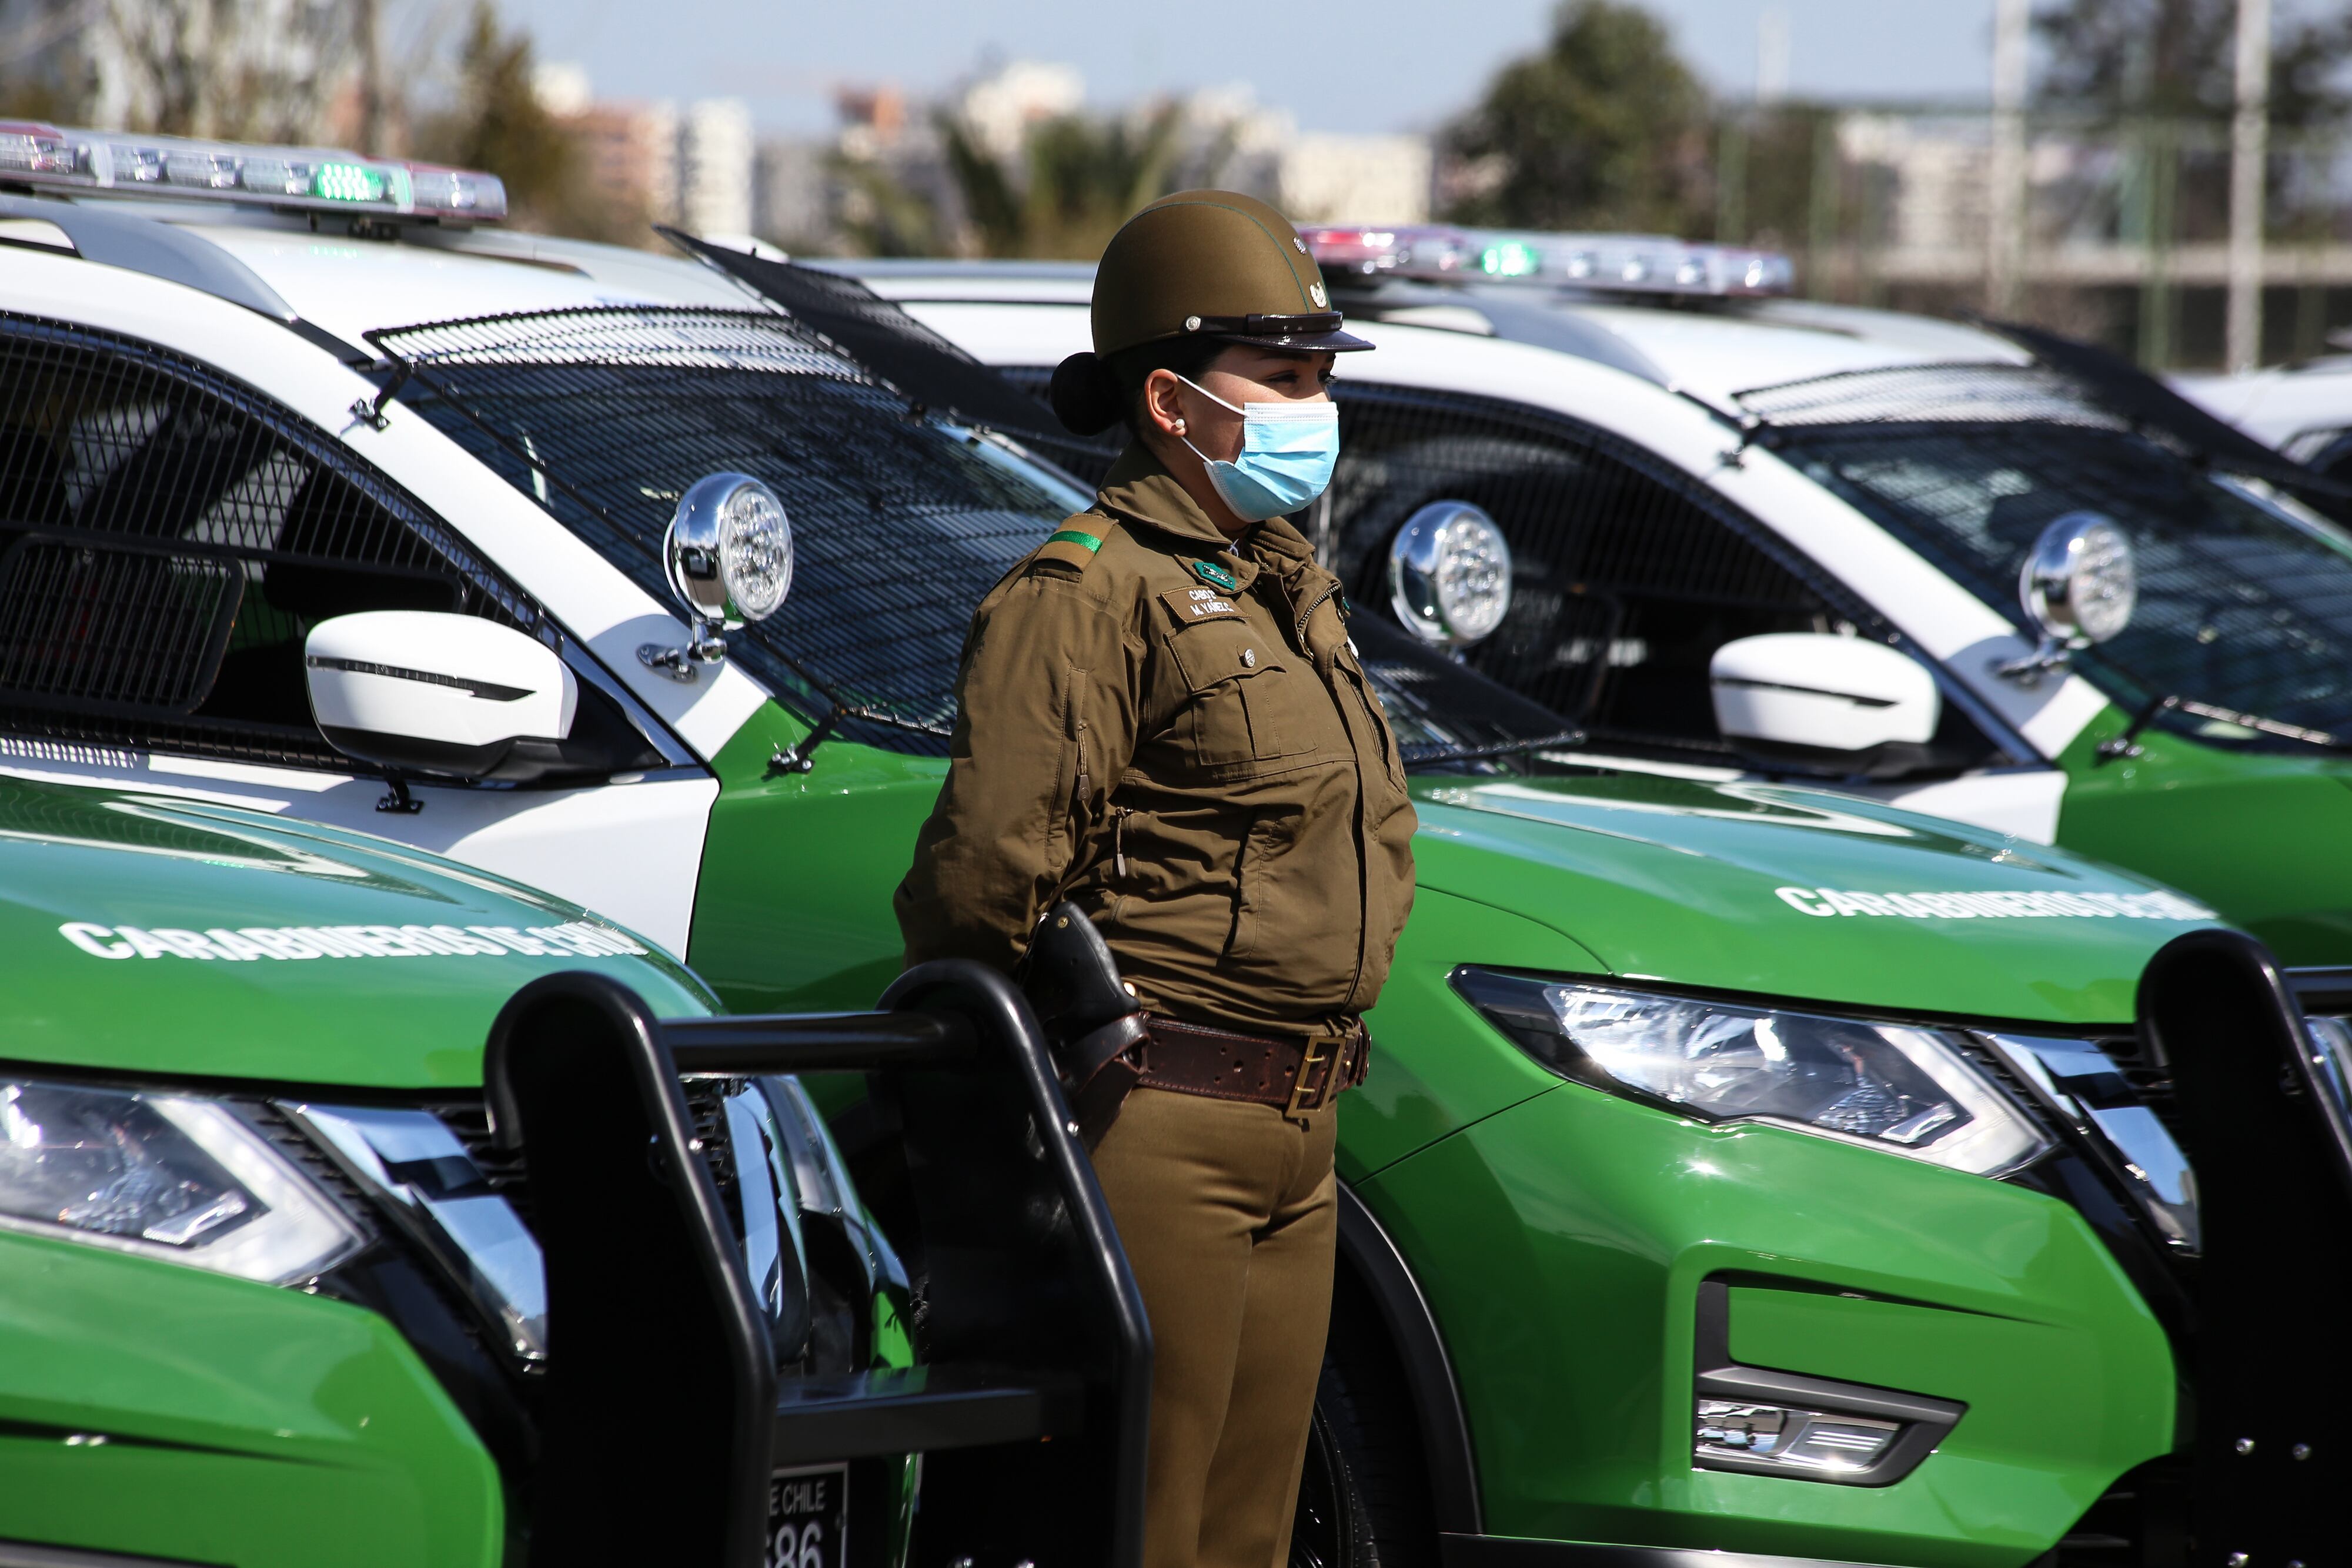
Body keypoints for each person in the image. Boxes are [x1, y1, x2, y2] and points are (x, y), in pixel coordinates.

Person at [895, 189, 1417, 1568]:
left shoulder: (1281, 581)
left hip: (1301, 1121)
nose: (1315, 404)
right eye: (1283, 376)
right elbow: (985, 870)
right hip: (1160, 1114)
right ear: (1174, 403)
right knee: (1144, 1528)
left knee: (1247, 1534)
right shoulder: (1084, 591)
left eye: (1321, 374)